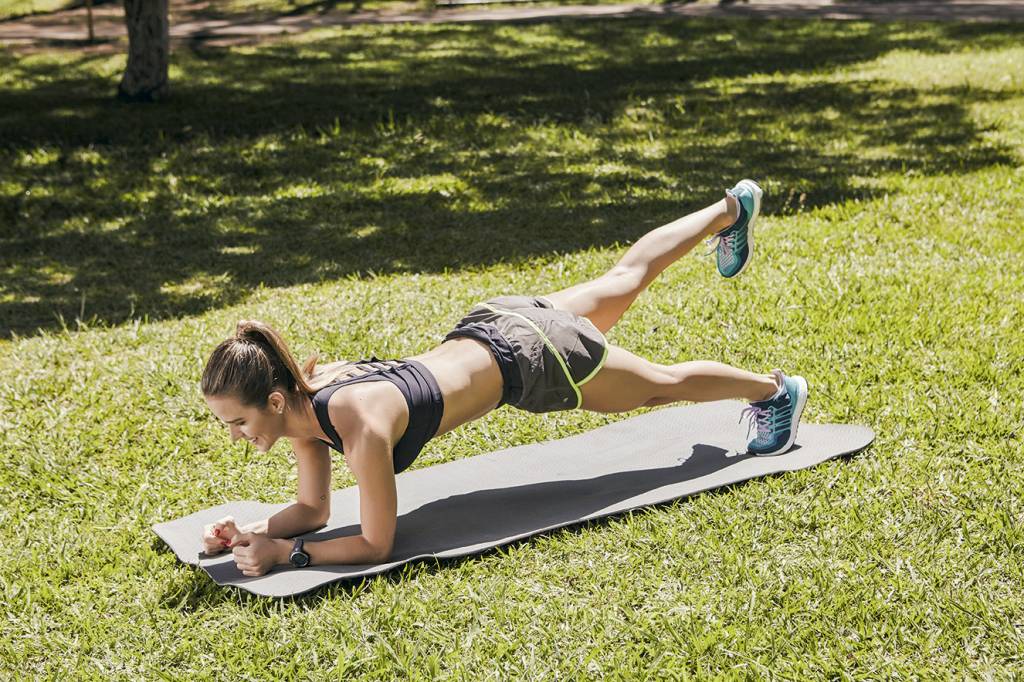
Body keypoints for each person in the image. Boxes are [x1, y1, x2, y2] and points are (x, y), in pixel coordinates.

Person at [200, 179, 808, 576]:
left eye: (238, 421)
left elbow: (377, 544)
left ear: (274, 400)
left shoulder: (358, 426)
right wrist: (253, 532)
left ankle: (776, 392)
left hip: (535, 359)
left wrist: (289, 555)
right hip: (495, 321)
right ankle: (730, 208)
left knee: (659, 387)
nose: (235, 435)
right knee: (623, 278)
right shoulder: (308, 402)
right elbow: (311, 507)